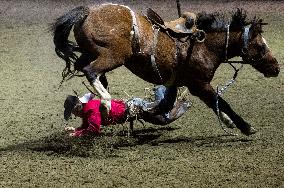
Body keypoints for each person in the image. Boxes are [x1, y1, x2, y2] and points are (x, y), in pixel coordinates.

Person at [63, 85, 191, 137]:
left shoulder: (90, 109)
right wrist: (76, 130)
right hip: (132, 108)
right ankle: (163, 90)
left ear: (76, 108)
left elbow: (94, 129)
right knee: (162, 113)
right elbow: (87, 126)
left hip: (134, 109)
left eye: (72, 112)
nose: (73, 115)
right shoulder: (87, 109)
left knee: (164, 117)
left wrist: (77, 134)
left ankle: (171, 93)